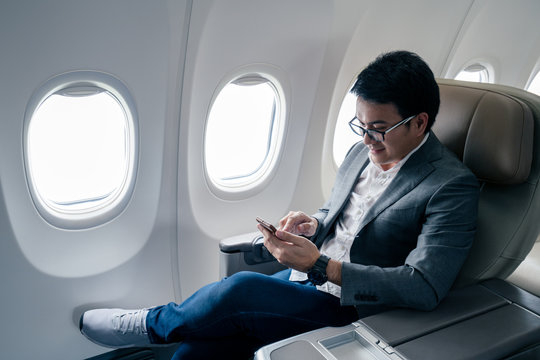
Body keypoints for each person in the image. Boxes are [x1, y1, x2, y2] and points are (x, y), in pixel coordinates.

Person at [79, 50, 479, 359]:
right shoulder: (363, 153)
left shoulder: (450, 185)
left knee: (238, 291)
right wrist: (312, 226)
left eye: (378, 130)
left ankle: (151, 324)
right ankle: (169, 335)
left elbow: (424, 287)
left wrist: (322, 265)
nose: (366, 140)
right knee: (201, 347)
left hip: (355, 307)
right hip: (308, 282)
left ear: (420, 122)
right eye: (360, 126)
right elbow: (342, 219)